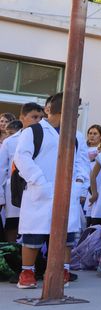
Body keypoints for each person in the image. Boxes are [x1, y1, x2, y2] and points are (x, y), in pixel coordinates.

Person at [14, 92, 88, 289]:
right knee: (34, 234)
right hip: (40, 191)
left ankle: (61, 269)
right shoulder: (33, 132)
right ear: (57, 111)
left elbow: (81, 161)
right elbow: (22, 158)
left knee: (66, 234)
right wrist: (39, 181)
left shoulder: (76, 136)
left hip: (68, 191)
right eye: (73, 112)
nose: (76, 117)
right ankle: (27, 272)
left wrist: (79, 182)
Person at [0, 103, 44, 243]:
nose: (37, 121)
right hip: (13, 189)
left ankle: (29, 260)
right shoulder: (10, 141)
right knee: (13, 225)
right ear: (22, 118)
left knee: (33, 226)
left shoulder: (44, 138)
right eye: (34, 117)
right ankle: (11, 255)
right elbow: (1, 169)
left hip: (36, 187)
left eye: (41, 117)